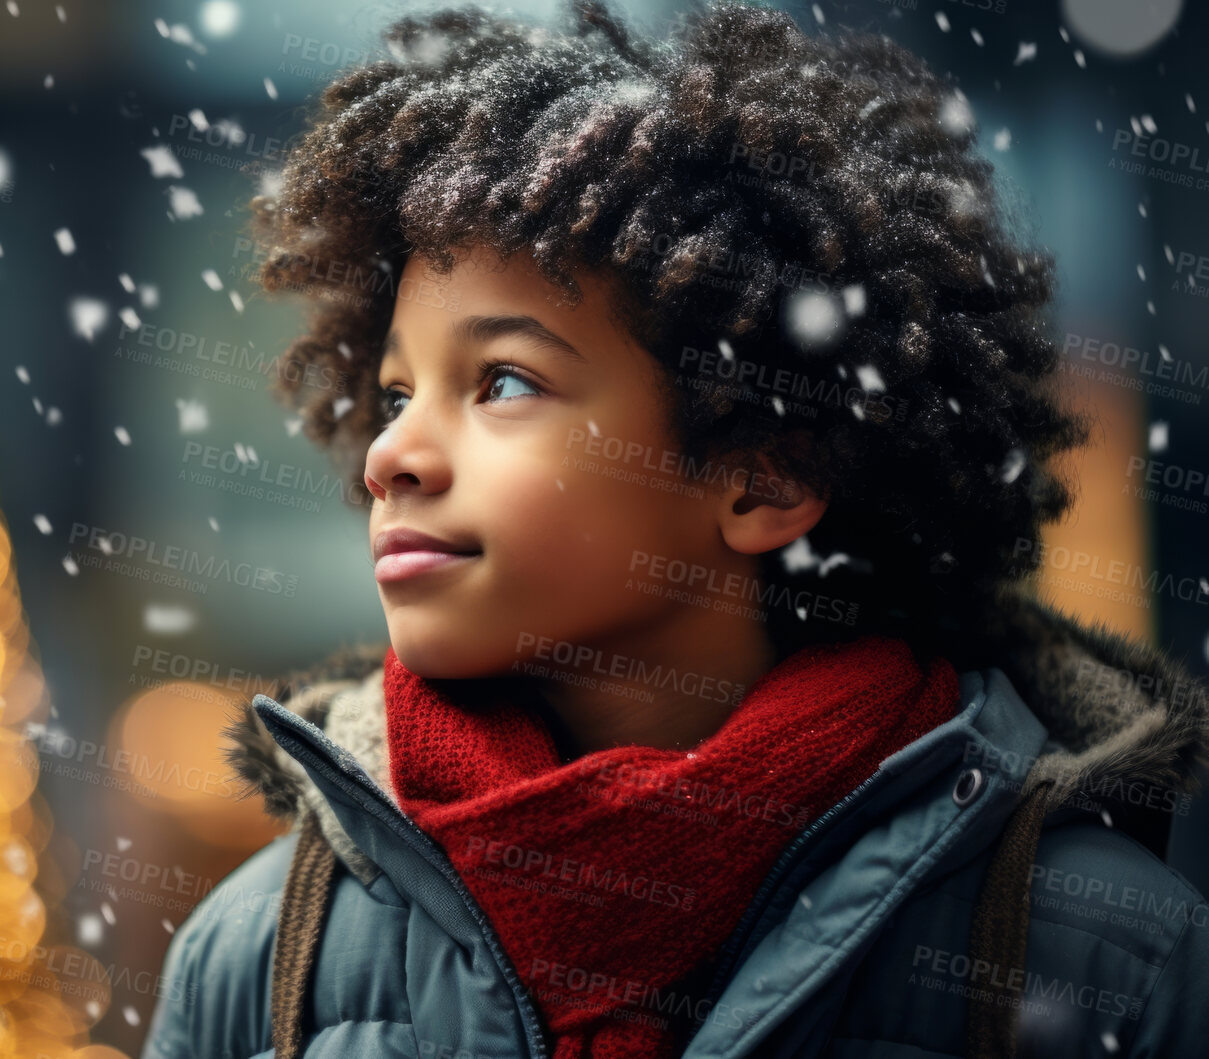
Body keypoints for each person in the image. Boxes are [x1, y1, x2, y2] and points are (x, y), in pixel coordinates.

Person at [140, 2, 1209, 1057]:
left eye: (502, 381)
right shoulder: (259, 956)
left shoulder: (1104, 963)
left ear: (763, 474)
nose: (388, 457)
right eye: (391, 396)